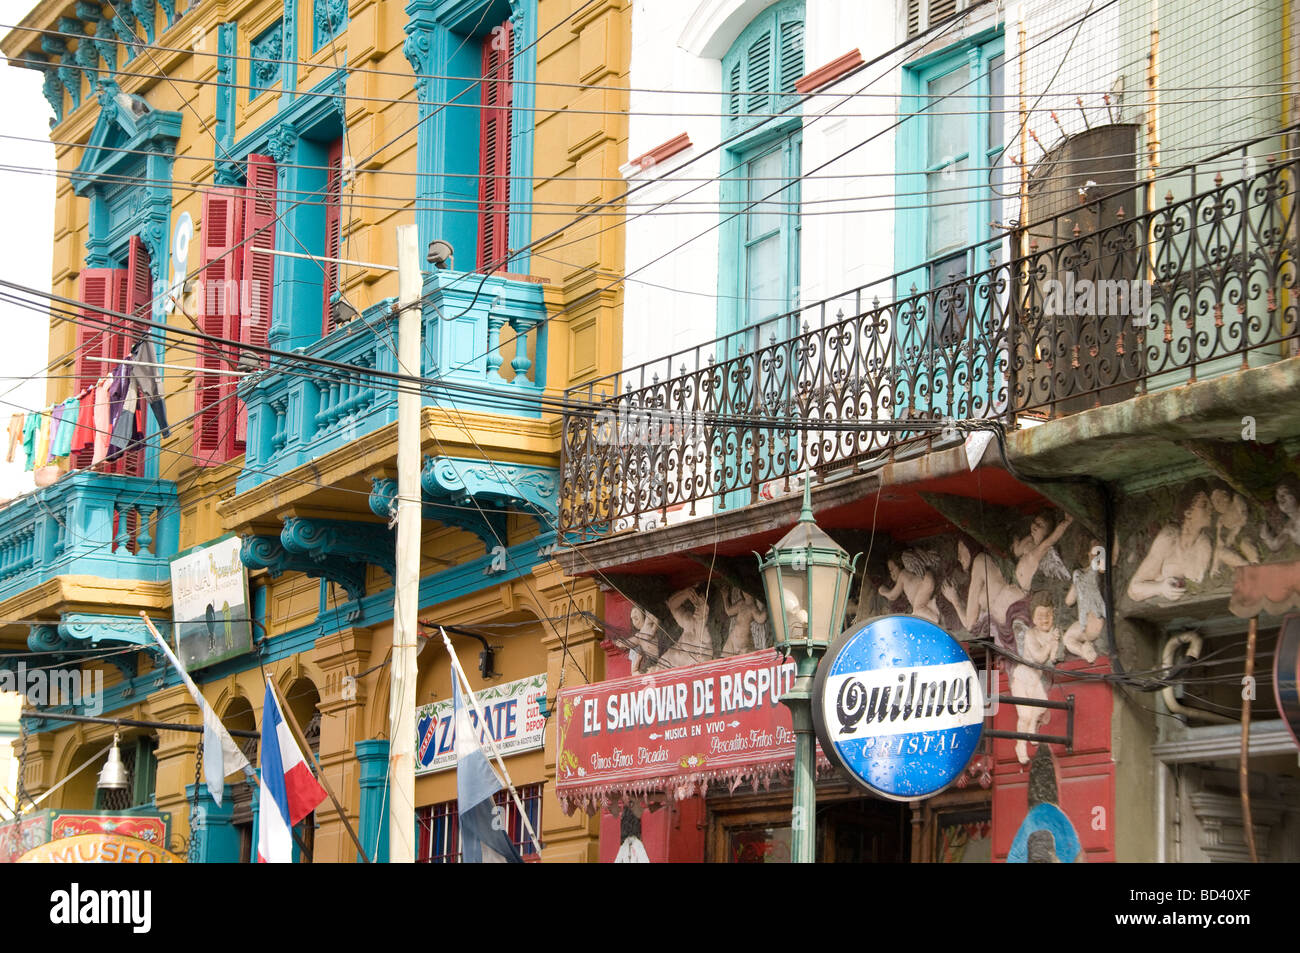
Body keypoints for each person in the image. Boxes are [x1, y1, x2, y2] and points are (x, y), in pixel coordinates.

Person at [1127, 482, 1213, 602]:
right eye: (1204, 505)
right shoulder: (1170, 536)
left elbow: (1198, 583)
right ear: (1187, 512)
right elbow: (1133, 590)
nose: (1211, 508)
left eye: (1210, 504)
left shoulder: (1204, 544)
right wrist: (1160, 588)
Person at [941, 539, 1030, 652]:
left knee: (984, 661)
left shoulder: (980, 561)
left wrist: (954, 599)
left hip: (1005, 631)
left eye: (960, 550)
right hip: (1007, 629)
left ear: (970, 547)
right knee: (989, 664)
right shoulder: (990, 562)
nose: (959, 558)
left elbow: (970, 623)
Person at [1010, 592, 1061, 764]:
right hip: (1023, 678)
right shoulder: (1031, 634)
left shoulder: (1054, 633)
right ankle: (1020, 746)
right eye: (1040, 615)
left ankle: (1032, 729)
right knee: (1024, 715)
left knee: (1040, 707)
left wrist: (1054, 646)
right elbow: (1039, 657)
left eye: (1048, 615)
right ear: (1033, 618)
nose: (1045, 619)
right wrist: (1050, 644)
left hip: (1035, 680)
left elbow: (1053, 658)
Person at [1063, 543, 1106, 662]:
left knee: (1073, 638)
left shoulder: (1098, 569)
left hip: (1096, 619)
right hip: (1083, 622)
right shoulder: (1078, 574)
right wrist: (1076, 584)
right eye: (1093, 548)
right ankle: (1084, 651)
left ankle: (1087, 649)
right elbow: (1069, 601)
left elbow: (1102, 568)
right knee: (1067, 638)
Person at [1012, 512, 1074, 590]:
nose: (1034, 526)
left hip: (1022, 590)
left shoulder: (1041, 549)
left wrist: (1067, 521)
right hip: (1014, 583)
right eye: (1034, 523)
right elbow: (1017, 551)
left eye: (1040, 526)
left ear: (1047, 534)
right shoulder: (1030, 541)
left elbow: (1053, 538)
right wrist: (1015, 538)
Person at [878, 549, 942, 623]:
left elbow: (893, 596)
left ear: (899, 565)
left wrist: (882, 591)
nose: (891, 574)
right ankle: (934, 612)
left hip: (926, 583)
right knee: (922, 610)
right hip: (927, 586)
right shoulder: (909, 574)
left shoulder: (903, 574)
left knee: (917, 610)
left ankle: (934, 619)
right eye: (890, 571)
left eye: (892, 569)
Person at [1210, 487, 1259, 575]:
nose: (1217, 504)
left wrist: (1234, 533)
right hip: (1233, 544)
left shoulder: (1236, 500)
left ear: (1226, 495)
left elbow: (1245, 517)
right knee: (1220, 551)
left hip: (1246, 534)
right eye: (1214, 502)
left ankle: (1255, 563)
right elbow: (1219, 544)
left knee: (1245, 543)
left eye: (1218, 499)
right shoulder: (1221, 520)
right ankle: (1245, 566)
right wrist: (1215, 565)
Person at [722, 587, 768, 655]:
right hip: (733, 636)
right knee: (724, 658)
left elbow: (760, 619)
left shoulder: (752, 607)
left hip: (743, 639)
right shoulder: (741, 603)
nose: (746, 593)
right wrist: (725, 596)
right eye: (744, 591)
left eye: (748, 591)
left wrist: (767, 607)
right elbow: (729, 611)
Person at [1259, 483, 1300, 552]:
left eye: (1284, 494)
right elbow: (1274, 546)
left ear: (1296, 494)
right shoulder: (1289, 526)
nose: (1281, 500)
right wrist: (1266, 536)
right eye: (1278, 499)